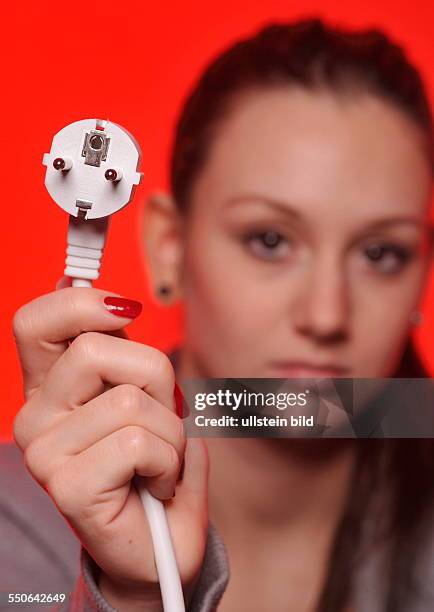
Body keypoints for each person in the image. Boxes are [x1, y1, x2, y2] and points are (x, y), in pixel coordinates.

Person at [3, 17, 434, 612]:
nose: (327, 314)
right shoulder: (13, 532)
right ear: (169, 249)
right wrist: (132, 595)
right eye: (269, 240)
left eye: (381, 253)